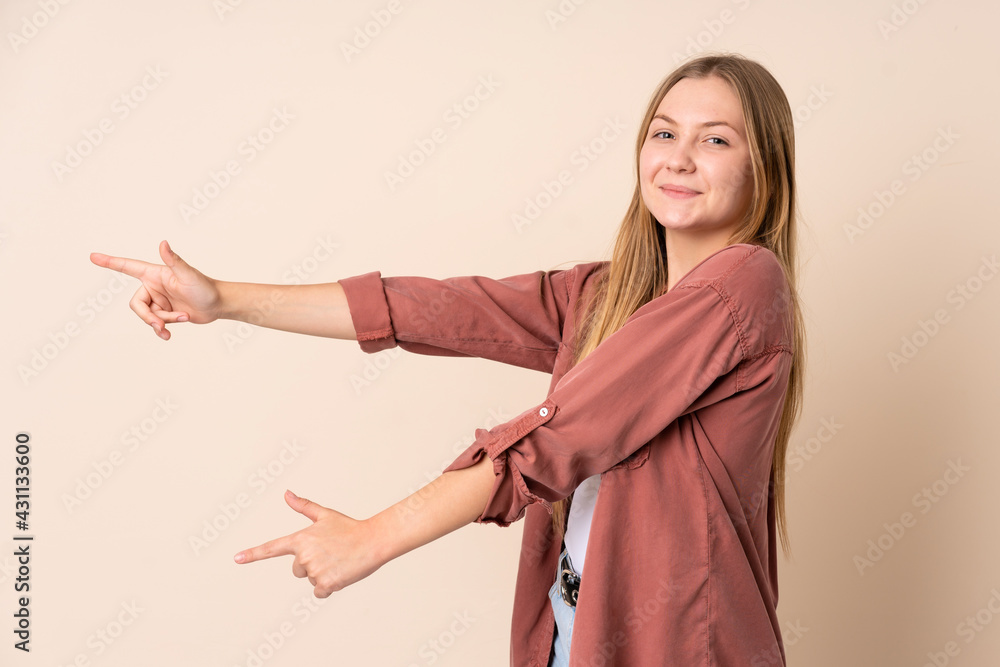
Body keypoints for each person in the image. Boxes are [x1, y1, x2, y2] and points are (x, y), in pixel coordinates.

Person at [90, 51, 805, 666]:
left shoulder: (747, 285)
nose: (678, 156)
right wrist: (222, 298)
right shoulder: (607, 294)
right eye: (664, 132)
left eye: (715, 140)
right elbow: (431, 309)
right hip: (575, 636)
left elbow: (558, 434)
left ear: (763, 168)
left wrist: (374, 537)